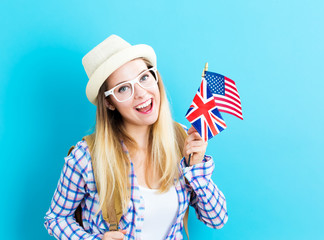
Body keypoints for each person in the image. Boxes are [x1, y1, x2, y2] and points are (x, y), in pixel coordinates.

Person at [44, 34, 228, 240]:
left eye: (144, 77)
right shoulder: (87, 156)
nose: (141, 93)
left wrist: (196, 168)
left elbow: (217, 219)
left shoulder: (181, 139)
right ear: (109, 103)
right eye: (123, 88)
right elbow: (56, 218)